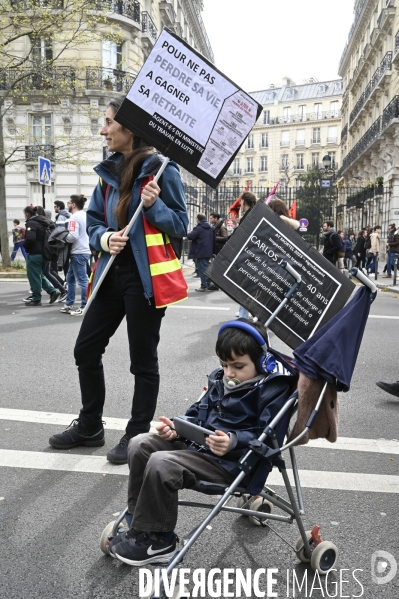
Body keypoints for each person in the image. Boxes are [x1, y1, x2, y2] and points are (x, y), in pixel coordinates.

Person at [49, 96, 188, 464]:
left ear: (129, 129)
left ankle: (137, 434)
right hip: (109, 274)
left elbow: (180, 226)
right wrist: (103, 238)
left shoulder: (162, 170)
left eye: (109, 122)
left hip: (143, 279)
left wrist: (155, 204)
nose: (103, 129)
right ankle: (90, 425)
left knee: (142, 361)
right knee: (85, 349)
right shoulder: (109, 173)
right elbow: (94, 221)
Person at [107, 318, 291, 566]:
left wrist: (234, 441)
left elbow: (271, 440)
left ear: (262, 362)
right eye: (225, 364)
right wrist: (176, 427)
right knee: (140, 444)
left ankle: (160, 541)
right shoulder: (219, 379)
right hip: (198, 448)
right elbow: (197, 412)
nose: (229, 373)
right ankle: (141, 526)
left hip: (232, 465)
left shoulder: (273, 389)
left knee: (162, 463)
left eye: (238, 366)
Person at [22, 206, 61, 306]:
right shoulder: (45, 222)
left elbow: (30, 239)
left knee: (34, 276)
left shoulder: (31, 223)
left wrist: (24, 244)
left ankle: (36, 299)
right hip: (46, 253)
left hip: (35, 254)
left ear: (27, 214)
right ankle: (53, 291)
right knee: (40, 275)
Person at [59, 195, 91, 315]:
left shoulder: (74, 217)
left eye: (68, 203)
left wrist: (62, 238)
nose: (67, 205)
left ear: (73, 205)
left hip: (78, 251)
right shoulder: (85, 215)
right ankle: (69, 304)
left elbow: (73, 236)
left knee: (82, 280)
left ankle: (84, 306)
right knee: (70, 278)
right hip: (84, 250)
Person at [236, 192, 257, 318]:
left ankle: (244, 314)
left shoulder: (248, 216)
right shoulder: (252, 214)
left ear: (243, 201)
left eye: (240, 200)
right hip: (251, 255)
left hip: (248, 255)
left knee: (245, 286)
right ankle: (244, 312)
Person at [187, 213, 215, 292]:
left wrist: (189, 232)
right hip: (209, 251)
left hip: (200, 251)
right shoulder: (211, 228)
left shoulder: (198, 228)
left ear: (198, 219)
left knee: (201, 269)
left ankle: (204, 285)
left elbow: (190, 236)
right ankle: (209, 283)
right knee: (205, 267)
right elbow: (214, 240)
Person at [207, 212, 228, 291]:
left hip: (220, 250)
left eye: (211, 218)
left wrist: (214, 237)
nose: (210, 219)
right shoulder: (215, 227)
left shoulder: (221, 227)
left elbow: (225, 237)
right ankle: (215, 284)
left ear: (216, 218)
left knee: (217, 269)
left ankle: (217, 285)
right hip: (216, 250)